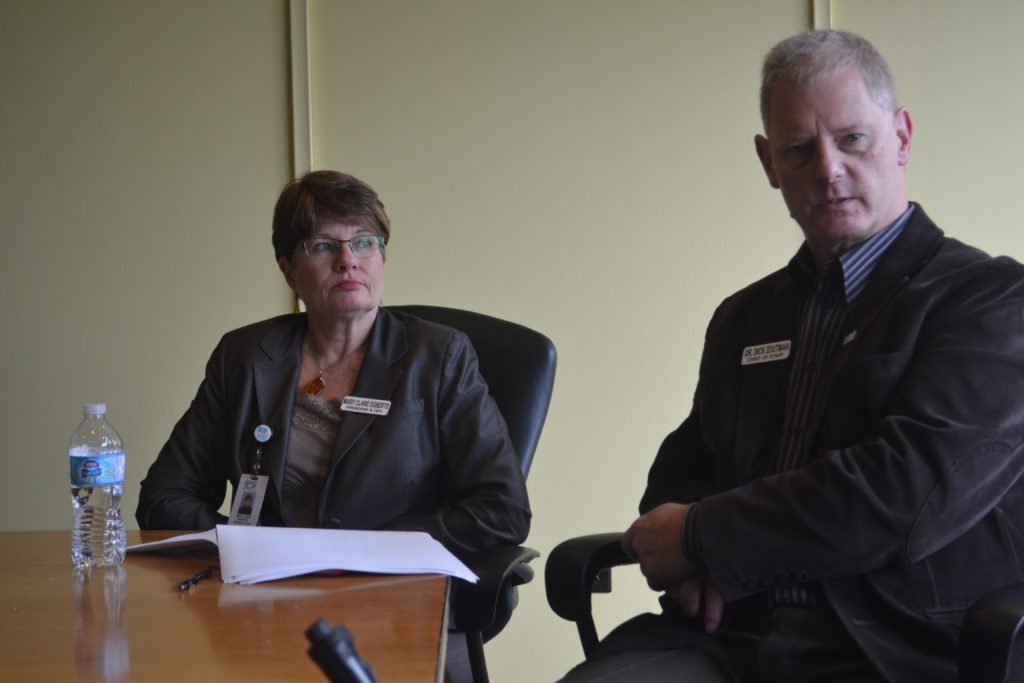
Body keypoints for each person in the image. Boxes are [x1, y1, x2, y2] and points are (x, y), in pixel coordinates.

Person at [560, 29, 1024, 683]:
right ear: (768, 162)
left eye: (853, 139)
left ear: (902, 135)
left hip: (891, 645)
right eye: (799, 149)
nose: (828, 169)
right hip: (735, 632)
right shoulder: (745, 318)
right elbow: (683, 469)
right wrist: (693, 561)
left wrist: (701, 537)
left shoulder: (993, 300)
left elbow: (898, 498)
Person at [137, 170, 531, 561]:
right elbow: (164, 498)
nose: (348, 261)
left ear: (381, 257)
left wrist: (357, 553)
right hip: (267, 589)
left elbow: (502, 510)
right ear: (289, 271)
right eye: (324, 246)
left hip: (396, 590)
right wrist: (250, 547)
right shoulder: (244, 355)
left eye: (364, 243)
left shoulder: (440, 356)